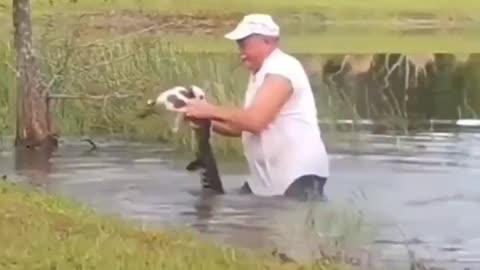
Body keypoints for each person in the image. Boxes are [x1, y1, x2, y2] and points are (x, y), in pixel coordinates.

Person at [184, 13, 329, 201]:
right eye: (239, 45)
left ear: (268, 42)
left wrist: (209, 110)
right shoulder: (262, 73)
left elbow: (255, 121)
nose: (241, 52)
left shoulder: (282, 70)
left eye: (245, 44)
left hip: (298, 177)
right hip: (267, 180)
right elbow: (242, 127)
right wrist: (205, 122)